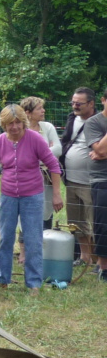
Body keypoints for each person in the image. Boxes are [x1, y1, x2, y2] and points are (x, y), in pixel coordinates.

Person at [0, 104, 63, 292]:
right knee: (5, 237)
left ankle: (34, 283)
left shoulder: (35, 139)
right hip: (8, 196)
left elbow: (53, 166)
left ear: (24, 122)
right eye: (10, 123)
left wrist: (57, 194)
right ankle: (2, 278)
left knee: (33, 239)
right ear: (4, 125)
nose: (15, 127)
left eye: (18, 122)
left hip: (33, 196)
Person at [61, 87, 98, 273]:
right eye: (73, 102)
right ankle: (85, 257)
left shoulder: (100, 121)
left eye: (79, 103)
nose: (75, 106)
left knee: (97, 222)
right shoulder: (71, 118)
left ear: (91, 104)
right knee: (76, 222)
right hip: (71, 180)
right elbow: (66, 141)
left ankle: (100, 262)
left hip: (92, 181)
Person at [20, 96, 62, 229]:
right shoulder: (19, 130)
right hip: (25, 180)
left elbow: (58, 149)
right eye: (39, 108)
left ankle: (45, 244)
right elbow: (19, 155)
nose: (43, 111)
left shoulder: (47, 127)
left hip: (46, 178)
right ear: (28, 112)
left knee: (45, 211)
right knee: (25, 215)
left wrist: (33, 157)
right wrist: (46, 153)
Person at [85, 89, 107, 282]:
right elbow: (98, 149)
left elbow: (102, 151)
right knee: (102, 223)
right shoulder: (93, 122)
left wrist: (102, 152)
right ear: (103, 100)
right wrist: (101, 151)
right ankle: (103, 267)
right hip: (101, 179)